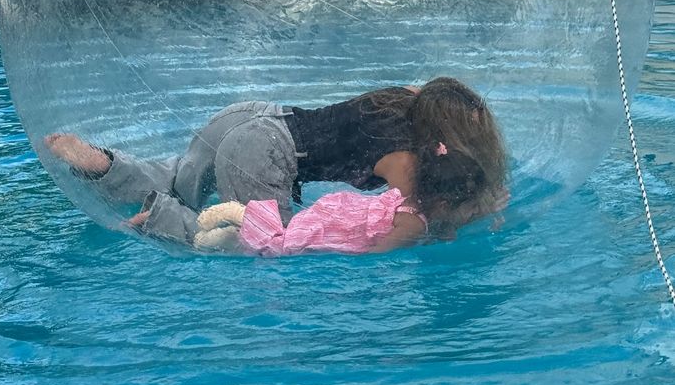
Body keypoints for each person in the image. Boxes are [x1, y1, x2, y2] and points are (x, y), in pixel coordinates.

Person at [45, 77, 508, 251]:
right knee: (264, 240)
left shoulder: (407, 99)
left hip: (252, 116)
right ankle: (161, 220)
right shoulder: (409, 160)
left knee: (179, 175)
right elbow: (423, 215)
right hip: (264, 152)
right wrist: (478, 209)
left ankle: (103, 166)